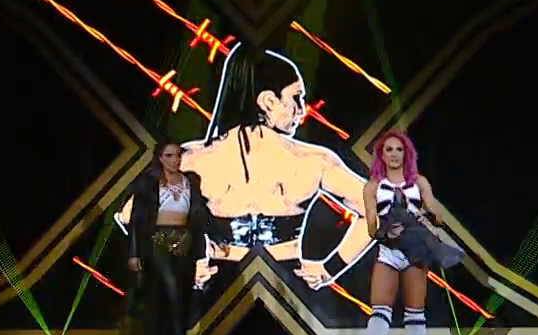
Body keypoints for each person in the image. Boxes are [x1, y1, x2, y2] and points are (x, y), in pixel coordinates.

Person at [115, 43, 374, 294]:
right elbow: (378, 211)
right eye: (296, 97)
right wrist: (329, 269)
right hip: (284, 287)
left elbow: (131, 216)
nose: (302, 110)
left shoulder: (195, 158)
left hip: (219, 287)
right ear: (268, 101)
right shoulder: (312, 159)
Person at [350, 130, 461, 335]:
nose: (394, 154)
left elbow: (438, 215)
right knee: (379, 313)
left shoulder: (419, 182)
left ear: (406, 153)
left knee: (415, 314)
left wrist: (427, 214)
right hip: (389, 250)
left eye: (399, 149)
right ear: (381, 154)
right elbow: (371, 227)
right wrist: (385, 233)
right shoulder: (373, 187)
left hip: (416, 252)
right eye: (389, 149)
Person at [125, 142, 209, 335]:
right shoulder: (149, 183)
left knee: (180, 297)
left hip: (184, 240)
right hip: (157, 240)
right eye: (169, 155)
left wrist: (214, 237)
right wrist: (134, 253)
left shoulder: (190, 181)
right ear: (160, 158)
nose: (175, 160)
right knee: (171, 294)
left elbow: (199, 212)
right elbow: (137, 219)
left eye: (178, 155)